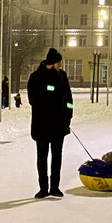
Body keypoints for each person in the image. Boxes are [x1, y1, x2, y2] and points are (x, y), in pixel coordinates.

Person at [27, 48, 73, 199]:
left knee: (57, 156)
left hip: (59, 125)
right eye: (59, 62)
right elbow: (33, 100)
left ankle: (55, 187)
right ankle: (43, 188)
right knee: (42, 156)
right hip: (42, 125)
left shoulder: (62, 76)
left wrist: (68, 117)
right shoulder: (35, 77)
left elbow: (68, 99)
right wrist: (51, 94)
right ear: (52, 63)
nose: (60, 65)